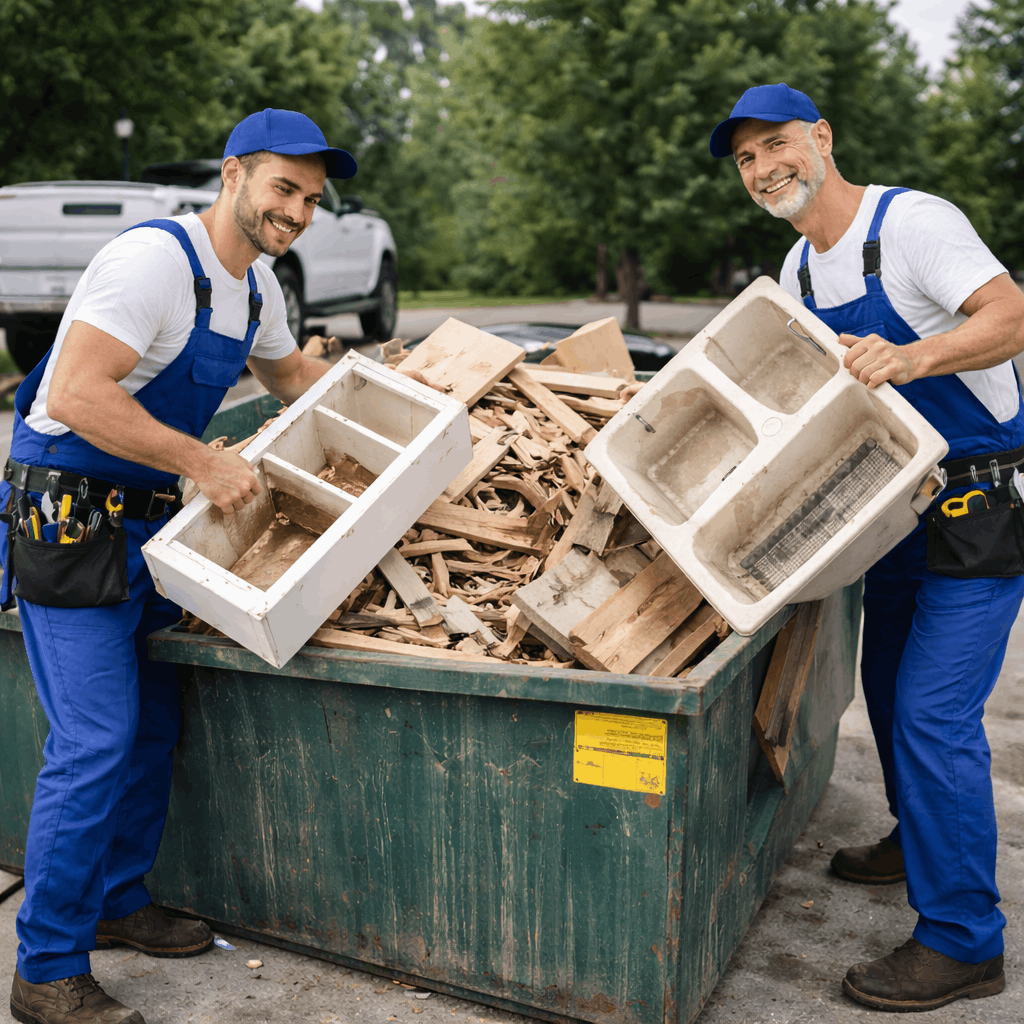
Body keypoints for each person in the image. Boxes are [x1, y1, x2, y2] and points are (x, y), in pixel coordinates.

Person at [0, 108, 357, 1024]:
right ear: (233, 174)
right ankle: (45, 970)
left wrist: (397, 392)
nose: (297, 211)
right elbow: (74, 393)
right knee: (93, 741)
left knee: (155, 721)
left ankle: (118, 902)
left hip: (151, 532)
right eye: (283, 187)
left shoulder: (257, 289)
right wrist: (202, 460)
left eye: (312, 199)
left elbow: (291, 382)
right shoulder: (153, 262)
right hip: (70, 525)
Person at [708, 83, 1024, 1012]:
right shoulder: (798, 272)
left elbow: (1010, 315)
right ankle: (916, 834)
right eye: (747, 160)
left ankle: (966, 940)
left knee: (933, 712)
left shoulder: (914, 225)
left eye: (776, 145)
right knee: (884, 692)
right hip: (891, 512)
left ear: (823, 137)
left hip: (981, 506)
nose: (765, 168)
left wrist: (915, 357)